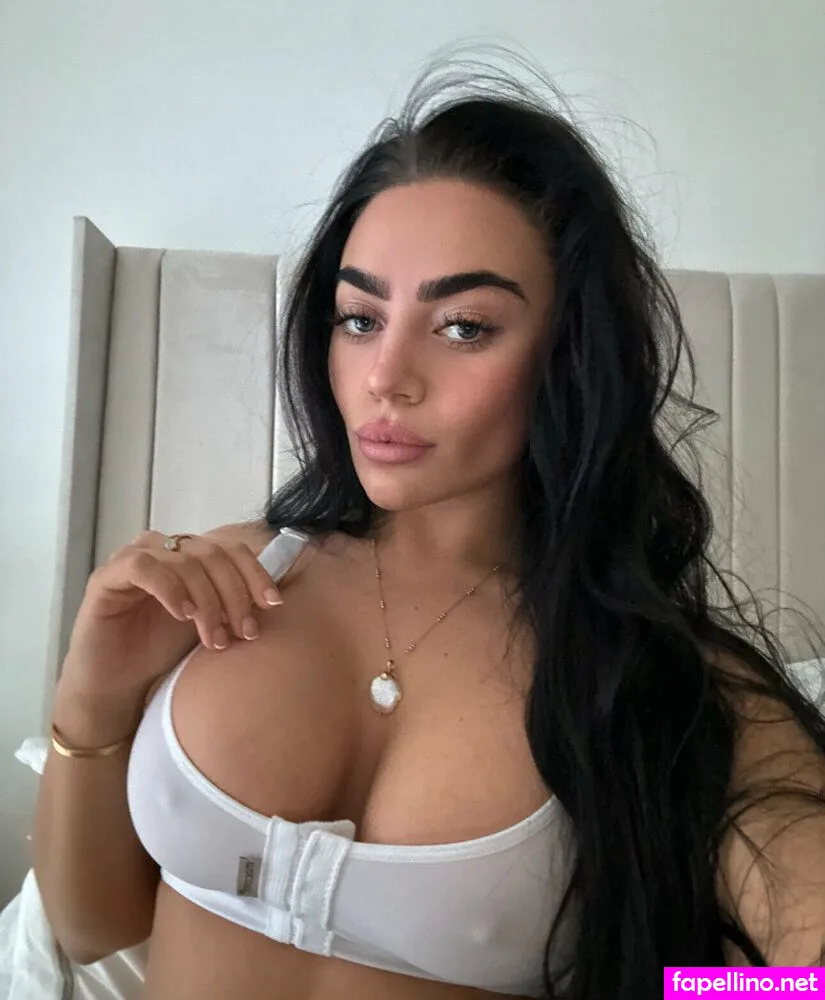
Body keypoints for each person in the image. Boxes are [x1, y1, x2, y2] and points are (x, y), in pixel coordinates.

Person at [32, 47, 825, 1000]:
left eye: (463, 327)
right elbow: (91, 928)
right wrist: (94, 695)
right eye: (359, 318)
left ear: (571, 354)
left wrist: (683, 990)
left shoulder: (659, 682)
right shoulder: (233, 579)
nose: (386, 376)